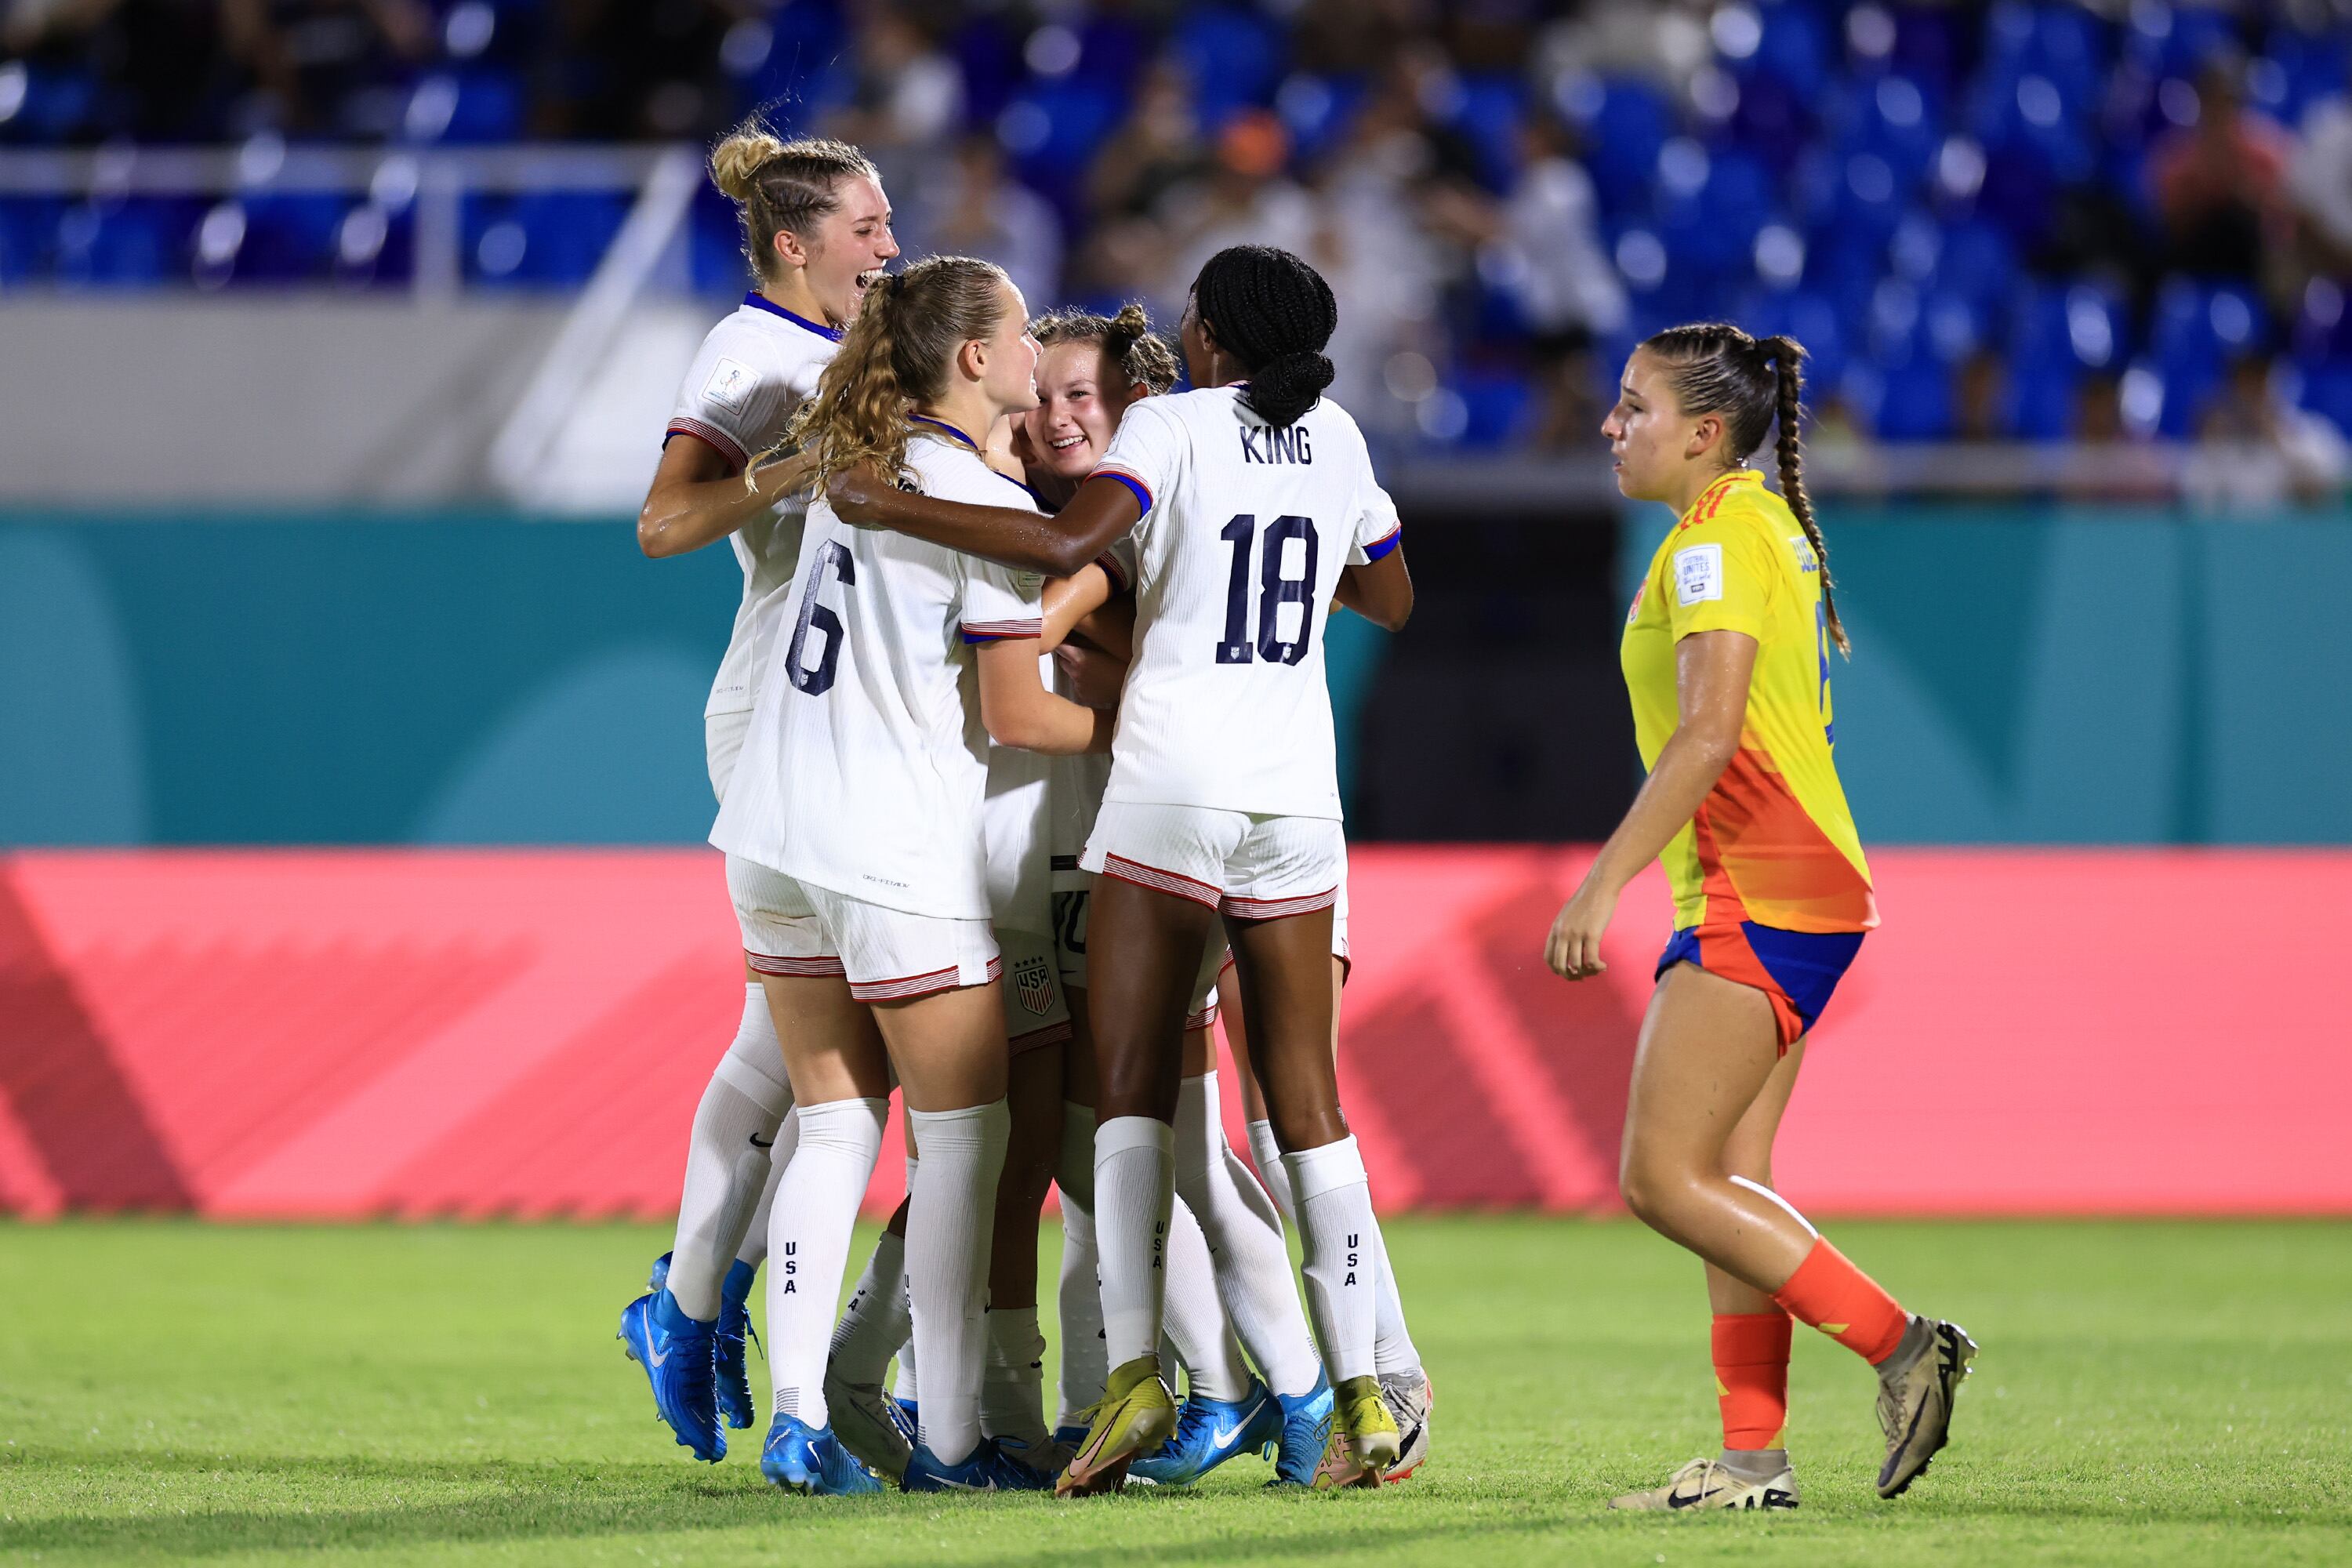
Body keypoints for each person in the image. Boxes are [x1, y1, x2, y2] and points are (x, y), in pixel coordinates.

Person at [824, 244, 1416, 1494]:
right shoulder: (1344, 439)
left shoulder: (1177, 428)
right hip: (1299, 801)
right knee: (1304, 1107)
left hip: (1172, 794)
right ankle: (1364, 1387)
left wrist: (893, 507)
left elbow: (1062, 544)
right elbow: (1393, 594)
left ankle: (1141, 1374)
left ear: (1209, 335)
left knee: (1133, 1086)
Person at [1545, 323, 1976, 1511]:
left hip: (1762, 887)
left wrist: (1600, 881)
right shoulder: (1745, 527)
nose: (1610, 425)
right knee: (1732, 1178)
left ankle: (1904, 1347)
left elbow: (1709, 733)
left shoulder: (1719, 543)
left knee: (1659, 1177)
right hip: (1791, 884)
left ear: (1705, 432)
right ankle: (1752, 1466)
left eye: (1632, 406)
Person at [710, 253, 1112, 1495]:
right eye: (1014, 322)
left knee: (832, 1120)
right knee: (965, 1145)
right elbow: (1015, 713)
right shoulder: (970, 506)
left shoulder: (859, 474)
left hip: (774, 836)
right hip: (891, 852)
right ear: (978, 361)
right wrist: (1131, 725)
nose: (1038, 342)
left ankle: (797, 1413)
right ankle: (949, 1438)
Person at [616, 124, 896, 1468]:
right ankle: (700, 1308)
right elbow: (663, 523)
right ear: (798, 245)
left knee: (792, 1046)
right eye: (867, 228)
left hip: (837, 707)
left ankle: (693, 1303)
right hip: (778, 705)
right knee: (822, 1055)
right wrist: (794, 467)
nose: (888, 247)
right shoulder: (750, 356)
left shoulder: (833, 348)